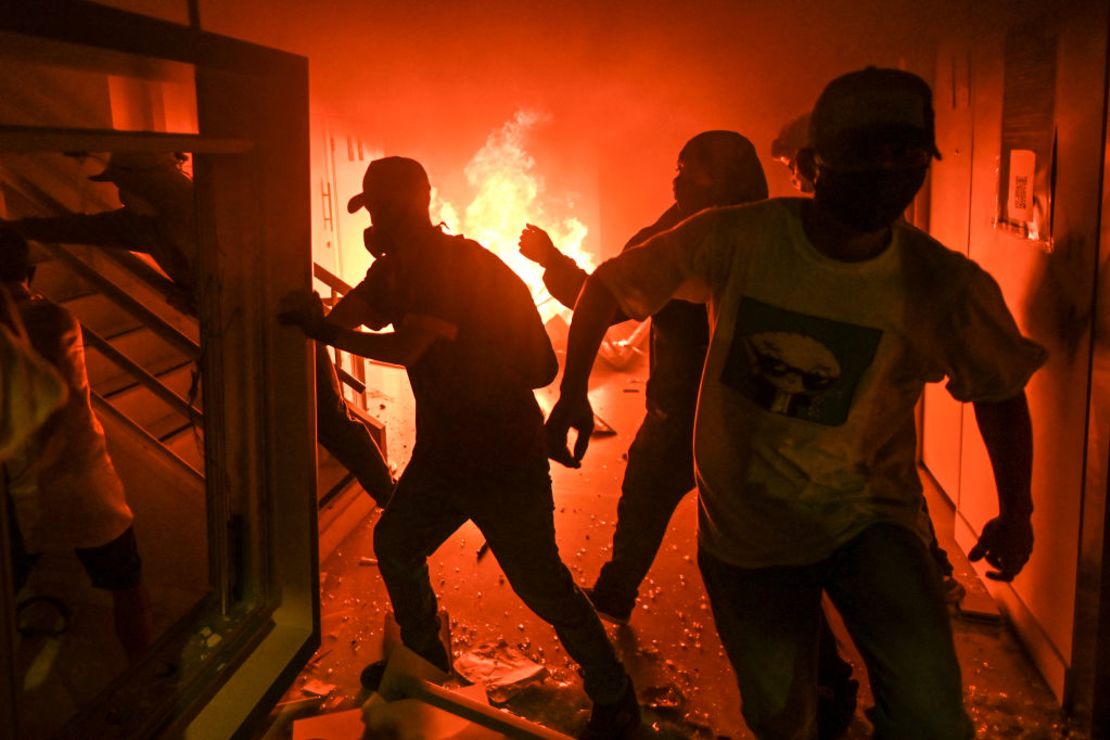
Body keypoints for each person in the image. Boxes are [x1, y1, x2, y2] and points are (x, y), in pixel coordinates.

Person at [545, 67, 1046, 738]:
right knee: (782, 719)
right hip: (747, 532)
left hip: (869, 522)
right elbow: (609, 286)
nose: (889, 167)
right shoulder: (736, 237)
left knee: (931, 713)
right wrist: (572, 393)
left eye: (907, 149)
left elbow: (1001, 390)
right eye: (867, 147)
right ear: (815, 164)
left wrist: (1018, 511)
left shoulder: (944, 286)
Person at [279, 156, 639, 738]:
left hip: (501, 451)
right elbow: (354, 312)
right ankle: (426, 656)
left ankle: (614, 694)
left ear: (420, 201)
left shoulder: (450, 267)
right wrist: (312, 313)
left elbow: (407, 348)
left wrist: (324, 331)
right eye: (371, 208)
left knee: (542, 585)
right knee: (396, 542)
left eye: (387, 206)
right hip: (445, 449)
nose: (378, 219)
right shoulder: (397, 270)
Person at [520, 131, 858, 737]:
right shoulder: (723, 231)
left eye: (689, 171)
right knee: (655, 503)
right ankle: (621, 590)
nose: (675, 180)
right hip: (701, 413)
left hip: (717, 417)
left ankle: (824, 677)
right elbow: (608, 294)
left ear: (722, 180)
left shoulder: (728, 235)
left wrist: (552, 267)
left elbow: (603, 296)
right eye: (676, 168)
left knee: (761, 562)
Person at [2, 152, 393, 506]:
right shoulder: (143, 224)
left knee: (330, 420)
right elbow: (79, 229)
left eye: (125, 185)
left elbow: (266, 261)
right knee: (263, 431)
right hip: (235, 336)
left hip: (285, 325)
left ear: (150, 186)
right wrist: (15, 228)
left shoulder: (211, 211)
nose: (121, 196)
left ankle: (387, 497)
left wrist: (211, 296)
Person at [771, 114, 965, 605]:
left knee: (883, 484)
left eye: (794, 166)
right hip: (839, 396)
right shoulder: (822, 230)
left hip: (861, 395)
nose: (793, 179)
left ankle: (927, 573)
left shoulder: (870, 238)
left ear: (816, 162)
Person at [0, 228, 154, 662]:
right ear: (29, 272)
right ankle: (145, 675)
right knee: (127, 583)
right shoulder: (59, 318)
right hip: (85, 473)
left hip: (23, 489)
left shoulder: (31, 325)